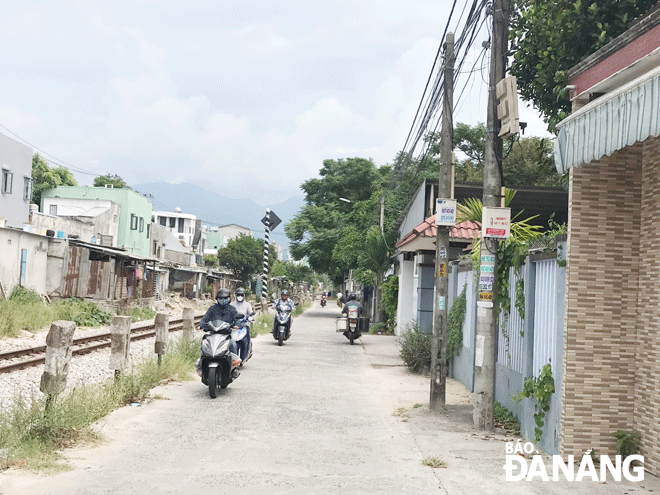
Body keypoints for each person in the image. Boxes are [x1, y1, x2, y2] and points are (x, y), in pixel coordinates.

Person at [197, 288, 240, 363]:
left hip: (227, 334)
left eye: (225, 298)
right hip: (214, 333)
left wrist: (236, 325)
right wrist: (200, 325)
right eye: (221, 298)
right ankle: (202, 361)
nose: (223, 299)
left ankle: (234, 361)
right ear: (217, 299)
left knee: (233, 343)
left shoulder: (232, 309)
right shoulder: (212, 309)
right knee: (204, 342)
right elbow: (205, 318)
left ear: (229, 298)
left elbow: (237, 320)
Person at [231, 287, 254, 363]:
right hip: (234, 327)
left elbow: (251, 314)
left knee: (246, 341)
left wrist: (250, 318)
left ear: (244, 295)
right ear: (235, 295)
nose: (240, 296)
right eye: (238, 294)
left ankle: (246, 354)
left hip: (243, 326)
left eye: (241, 294)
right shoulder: (232, 304)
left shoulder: (247, 305)